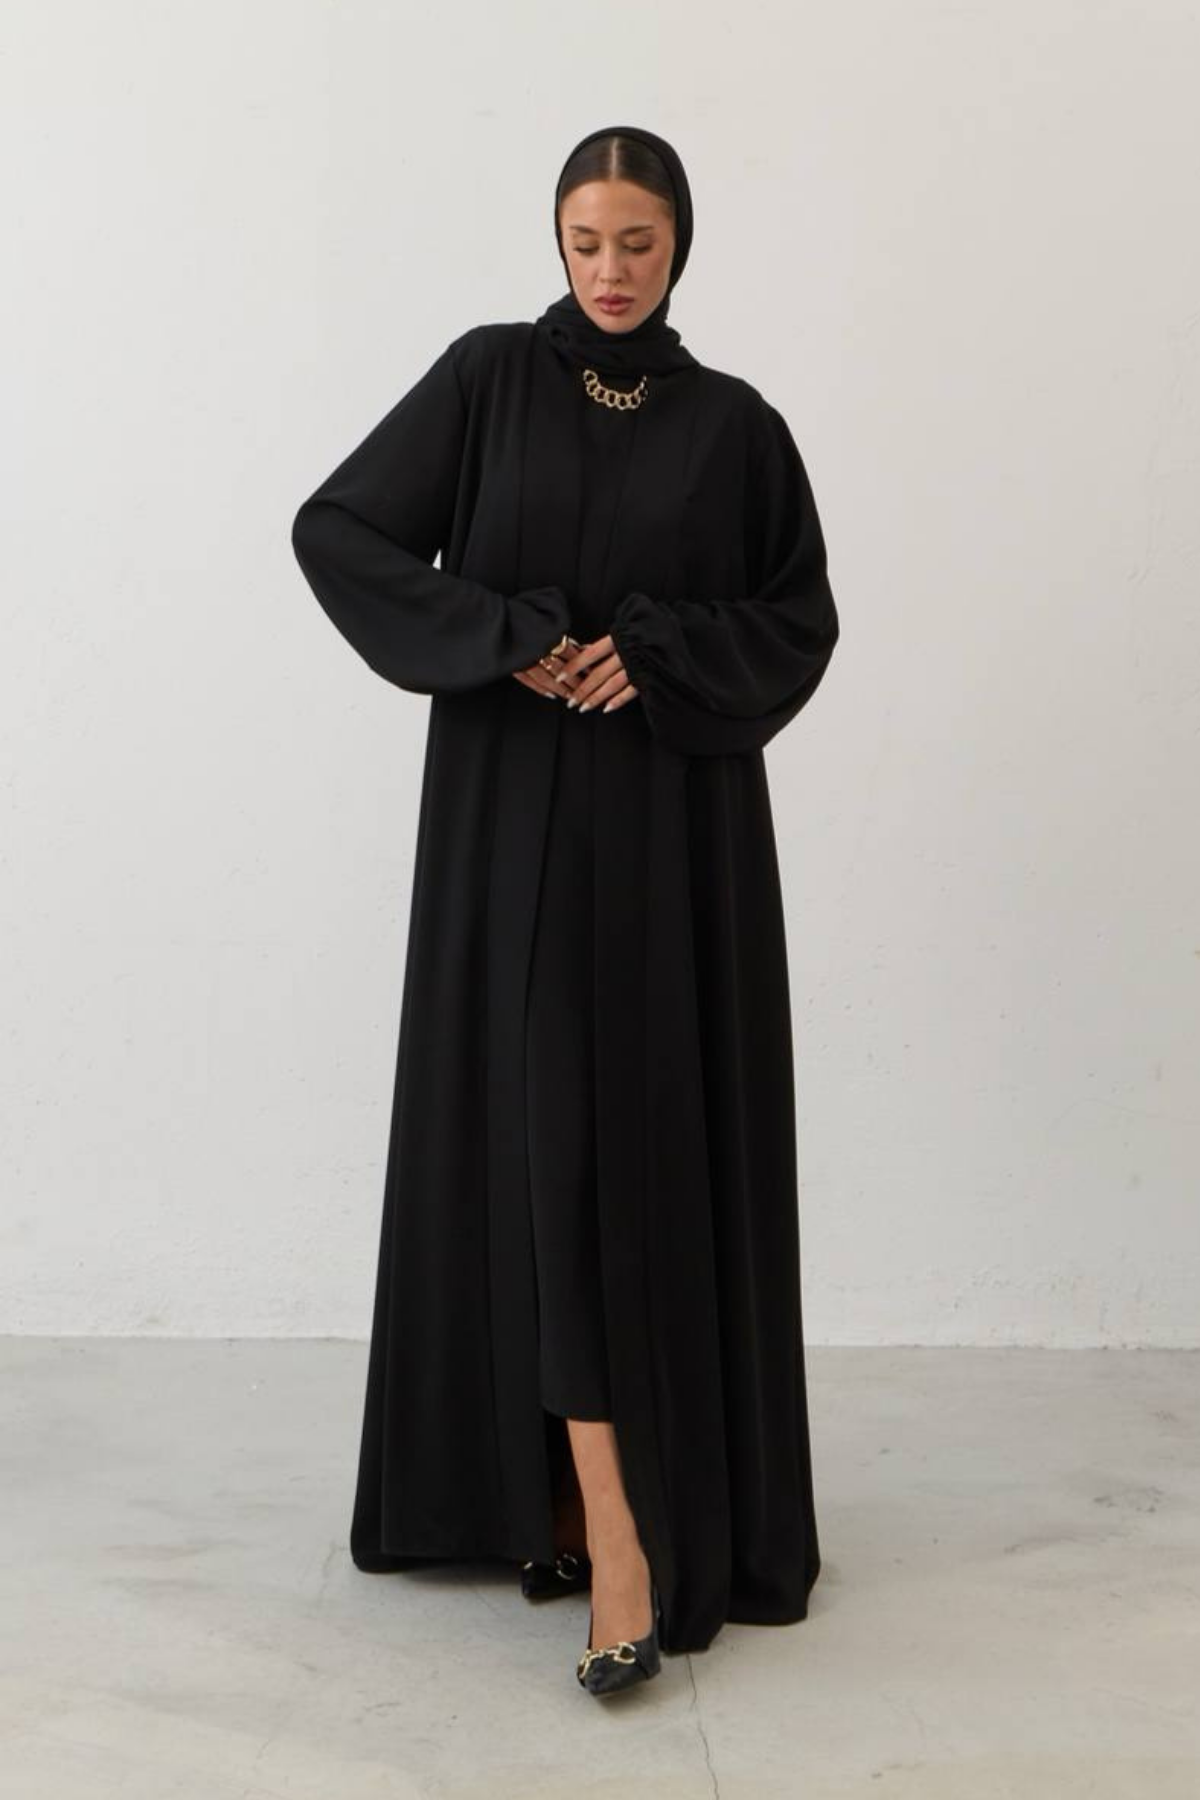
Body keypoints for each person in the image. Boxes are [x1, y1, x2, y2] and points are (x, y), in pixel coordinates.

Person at [290, 123, 840, 1697]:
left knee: (629, 1151)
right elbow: (340, 531)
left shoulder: (736, 428)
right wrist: (504, 634)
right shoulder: (486, 379)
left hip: (672, 846)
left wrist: (651, 654)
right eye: (587, 241)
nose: (610, 271)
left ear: (681, 247)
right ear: (557, 239)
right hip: (509, 832)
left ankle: (597, 1500)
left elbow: (796, 621)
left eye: (638, 244)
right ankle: (609, 1527)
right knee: (543, 1151)